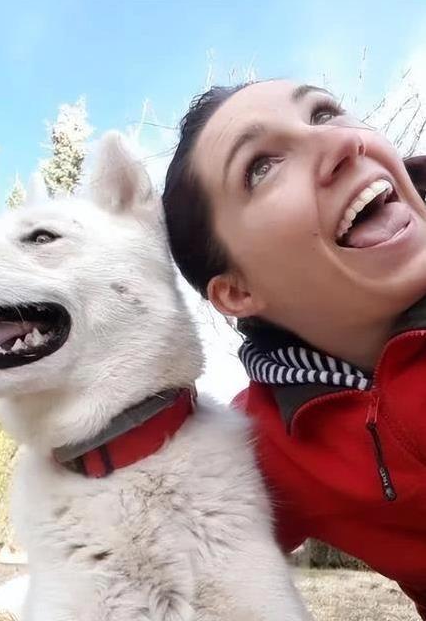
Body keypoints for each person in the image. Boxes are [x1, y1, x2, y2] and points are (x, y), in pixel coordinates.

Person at [162, 79, 426, 618]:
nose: (342, 142)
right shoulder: (263, 447)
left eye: (324, 113)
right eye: (261, 167)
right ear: (238, 292)